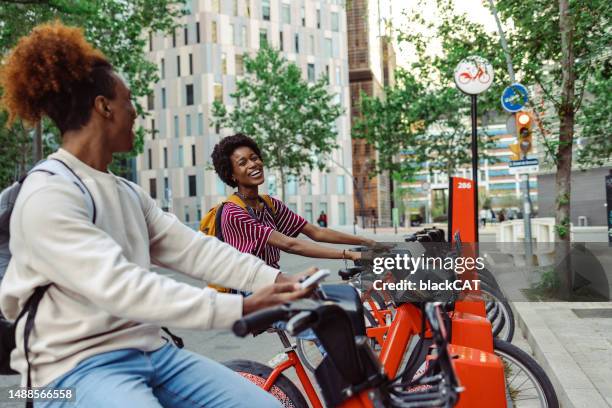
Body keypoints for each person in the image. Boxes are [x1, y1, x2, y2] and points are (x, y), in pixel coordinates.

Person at [0, 22, 311, 407]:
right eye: (129, 101)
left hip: (151, 353)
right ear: (104, 107)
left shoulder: (126, 192)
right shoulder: (48, 194)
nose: (136, 112)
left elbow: (195, 249)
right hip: (70, 370)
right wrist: (241, 306)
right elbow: (123, 287)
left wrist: (280, 280)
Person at [210, 134, 375, 269]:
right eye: (243, 163)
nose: (253, 164)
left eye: (254, 158)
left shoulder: (269, 204)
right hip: (246, 293)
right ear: (231, 175)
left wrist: (366, 241)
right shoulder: (233, 212)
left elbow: (316, 232)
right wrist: (349, 254)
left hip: (273, 283)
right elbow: (291, 245)